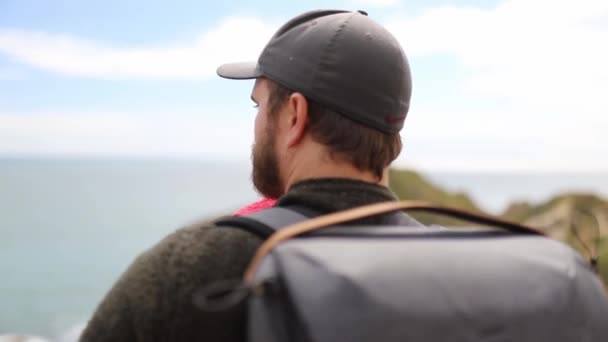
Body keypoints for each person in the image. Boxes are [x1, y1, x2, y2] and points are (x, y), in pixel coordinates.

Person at [80, 9, 415, 342]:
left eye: (259, 105)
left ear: (295, 116)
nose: (255, 125)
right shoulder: (451, 273)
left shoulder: (189, 269)